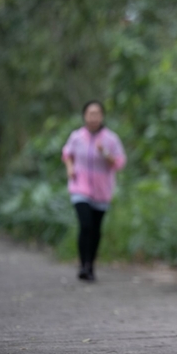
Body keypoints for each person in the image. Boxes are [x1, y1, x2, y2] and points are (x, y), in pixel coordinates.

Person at [61, 100, 126, 282]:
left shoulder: (110, 139)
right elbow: (67, 153)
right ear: (84, 116)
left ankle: (90, 265)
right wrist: (69, 167)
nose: (93, 117)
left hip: (101, 191)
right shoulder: (76, 137)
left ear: (102, 116)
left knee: (96, 229)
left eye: (97, 113)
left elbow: (119, 163)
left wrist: (104, 153)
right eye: (90, 113)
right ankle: (83, 265)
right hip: (79, 187)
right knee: (85, 225)